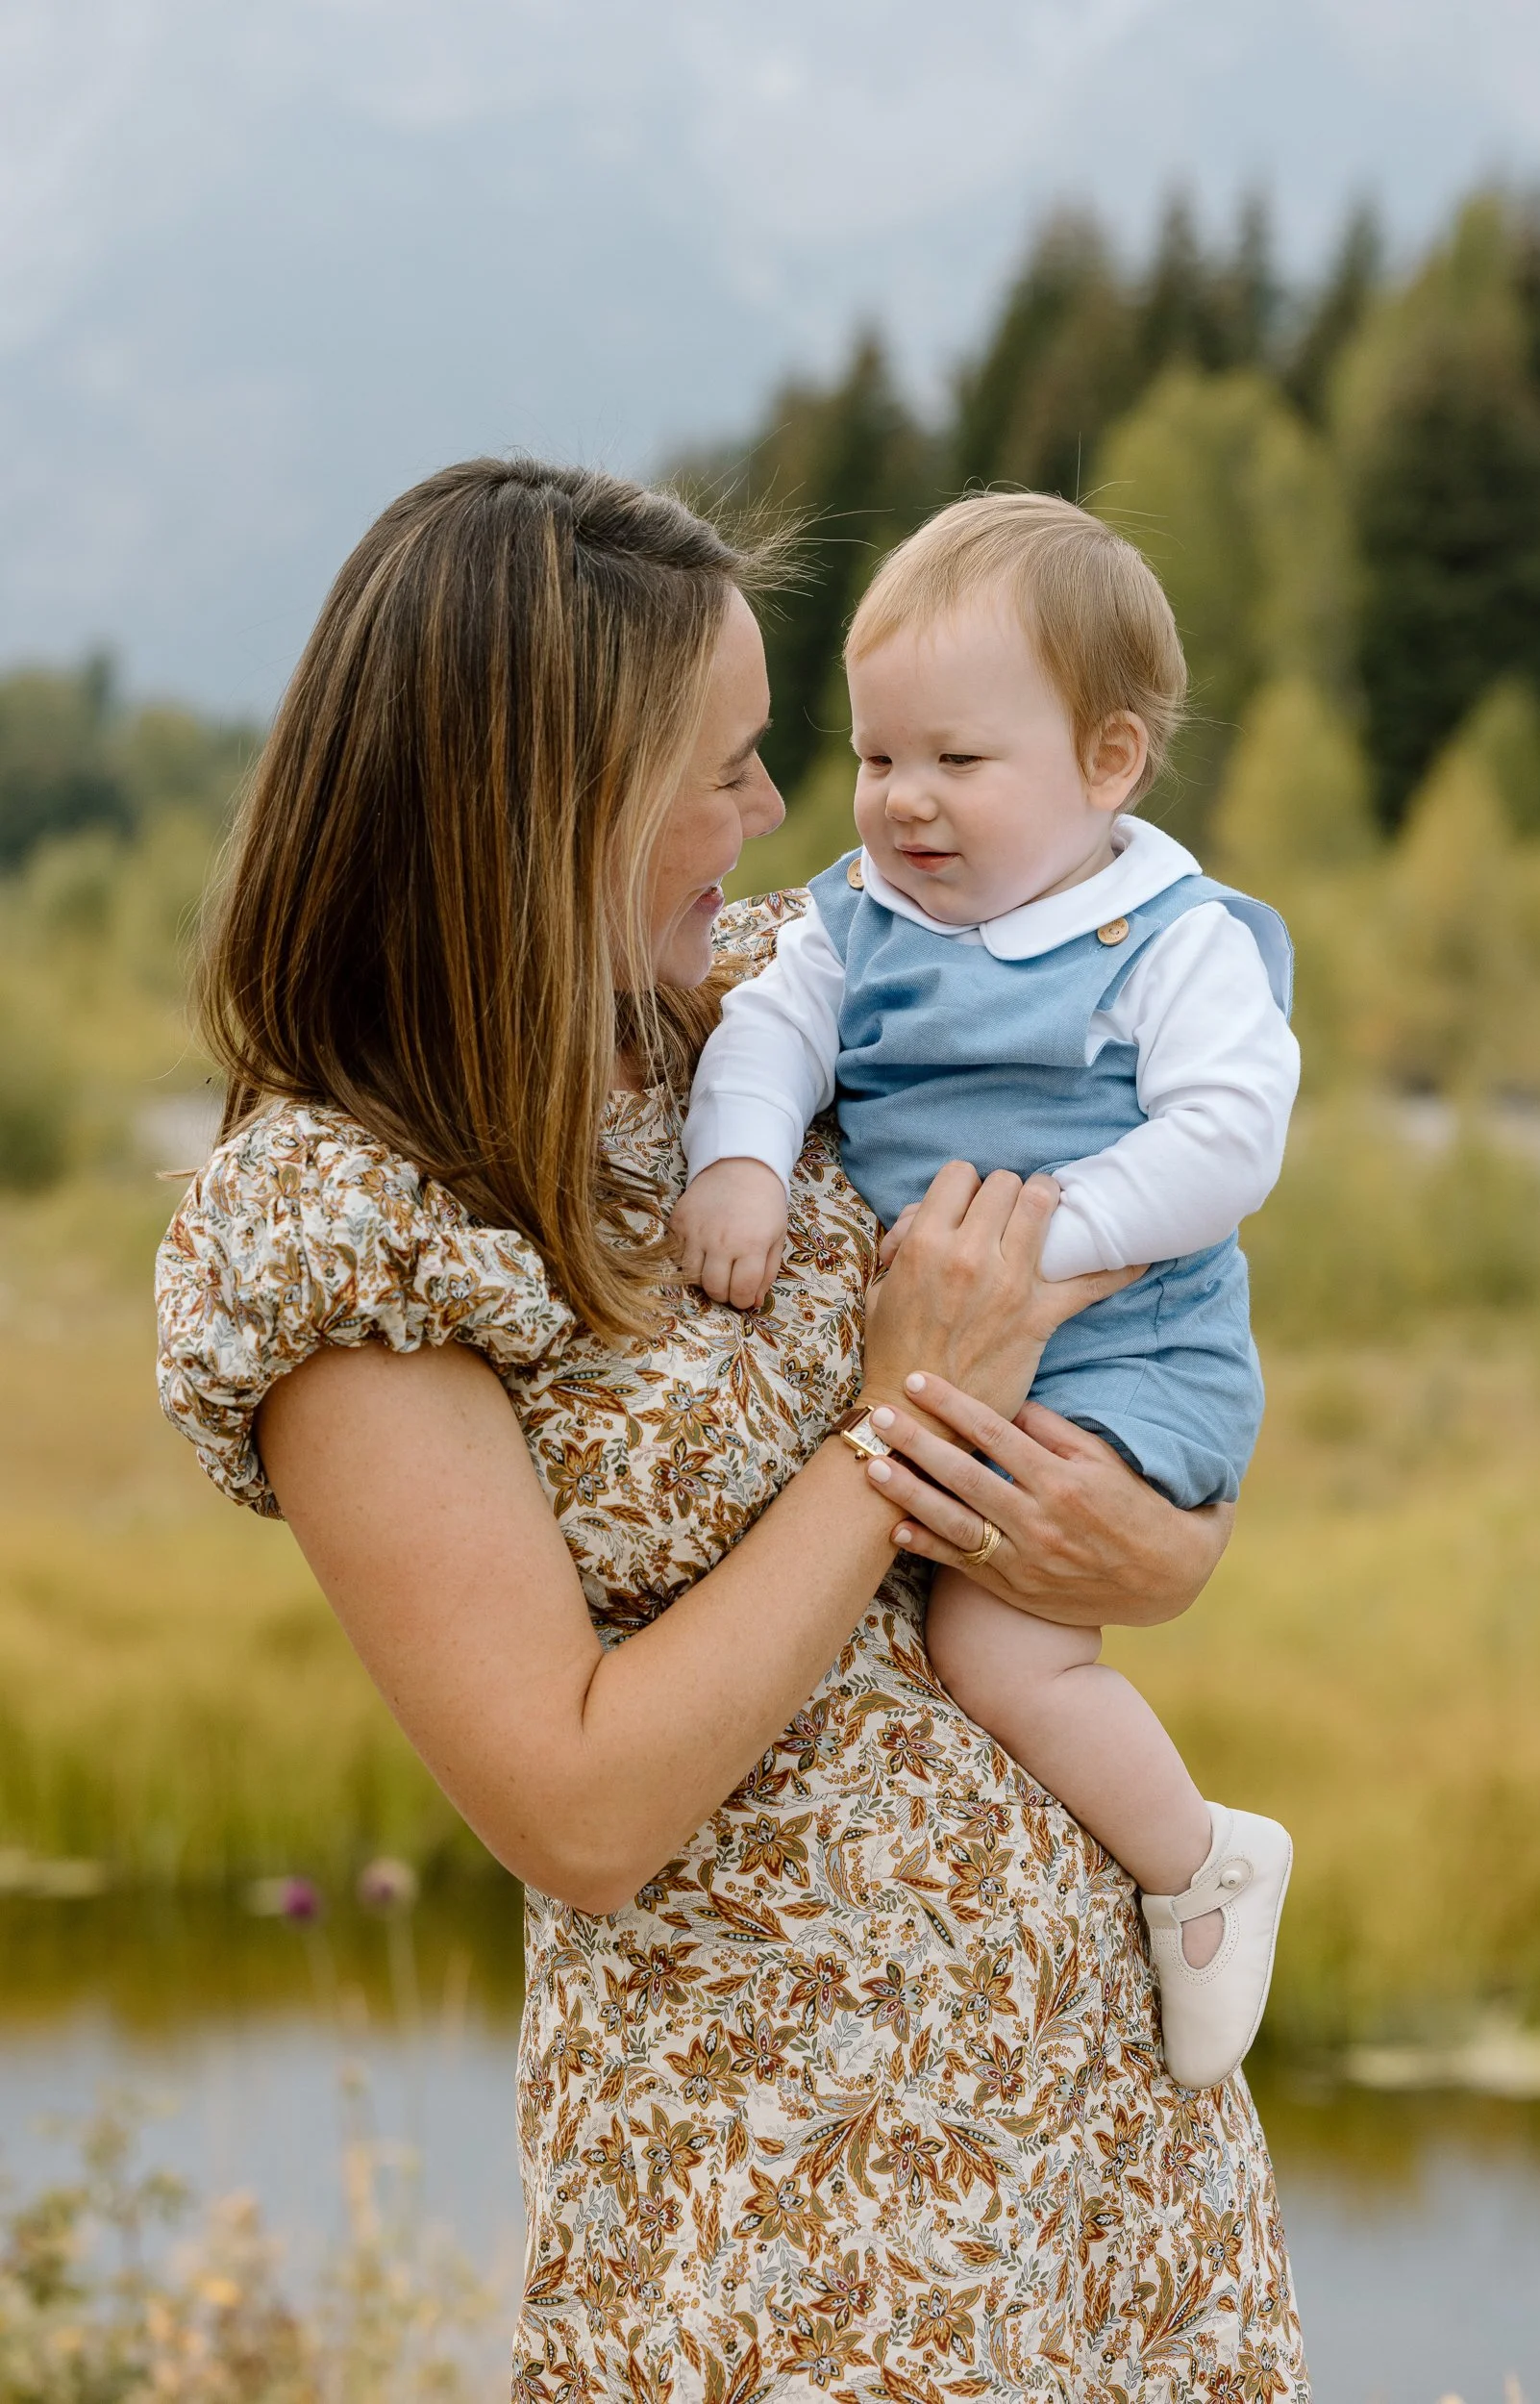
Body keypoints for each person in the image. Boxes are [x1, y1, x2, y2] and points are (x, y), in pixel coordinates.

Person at [155, 459, 1307, 2400]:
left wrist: (1150, 1539)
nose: (781, 818)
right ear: (548, 805)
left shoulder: (766, 996)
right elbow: (581, 1806)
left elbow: (1107, 1342)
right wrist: (894, 1427)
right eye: (727, 769)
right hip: (788, 2204)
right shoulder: (347, 1226)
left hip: (1088, 2142)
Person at [673, 493, 1299, 2089]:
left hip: (1123, 1352)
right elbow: (760, 1033)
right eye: (880, 758)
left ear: (1107, 764)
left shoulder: (1169, 937)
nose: (901, 804)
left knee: (998, 1646)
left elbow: (1228, 1138)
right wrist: (738, 1164)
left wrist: (1042, 1251)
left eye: (958, 762)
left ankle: (1198, 1864)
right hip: (966, 1351)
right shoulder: (851, 916)